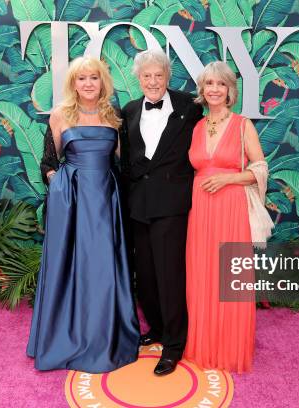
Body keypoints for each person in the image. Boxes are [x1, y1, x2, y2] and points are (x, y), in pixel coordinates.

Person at [27, 56, 139, 372]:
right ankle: (67, 336)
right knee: (71, 265)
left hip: (105, 200)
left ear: (103, 82)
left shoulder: (114, 115)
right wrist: (60, 184)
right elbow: (49, 162)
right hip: (73, 201)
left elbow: (125, 162)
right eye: (82, 78)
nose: (88, 83)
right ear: (73, 83)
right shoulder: (60, 114)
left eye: (94, 77)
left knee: (103, 267)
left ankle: (105, 335)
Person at [119, 49, 203, 376]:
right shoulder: (128, 111)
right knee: (147, 277)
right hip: (138, 204)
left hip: (172, 204)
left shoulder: (189, 106)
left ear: (167, 76)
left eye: (158, 75)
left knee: (170, 277)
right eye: (147, 76)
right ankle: (155, 327)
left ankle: (173, 345)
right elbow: (125, 160)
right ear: (138, 79)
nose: (153, 82)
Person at [185, 61, 267, 373]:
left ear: (230, 90)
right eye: (209, 84)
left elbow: (259, 167)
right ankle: (203, 346)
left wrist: (228, 179)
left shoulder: (243, 124)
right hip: (200, 210)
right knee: (201, 276)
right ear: (202, 91)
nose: (215, 90)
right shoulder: (196, 127)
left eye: (221, 84)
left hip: (231, 209)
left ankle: (230, 347)